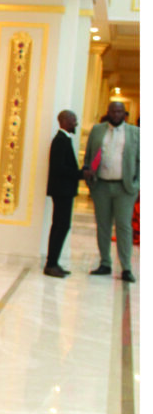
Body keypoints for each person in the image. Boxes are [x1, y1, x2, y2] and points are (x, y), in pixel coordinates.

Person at [83, 100, 140, 282]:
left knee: (124, 227)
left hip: (124, 188)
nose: (116, 114)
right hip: (101, 186)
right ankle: (105, 263)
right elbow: (89, 156)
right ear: (108, 112)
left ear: (124, 114)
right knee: (103, 225)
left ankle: (126, 267)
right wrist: (89, 177)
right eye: (113, 111)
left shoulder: (135, 133)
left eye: (119, 111)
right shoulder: (97, 130)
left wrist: (137, 183)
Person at [44, 110, 82, 277]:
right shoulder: (60, 140)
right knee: (60, 226)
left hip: (64, 191)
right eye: (74, 120)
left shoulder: (64, 139)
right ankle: (51, 263)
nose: (76, 124)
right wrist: (81, 174)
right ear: (65, 121)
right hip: (62, 191)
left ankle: (53, 262)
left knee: (61, 226)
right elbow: (59, 168)